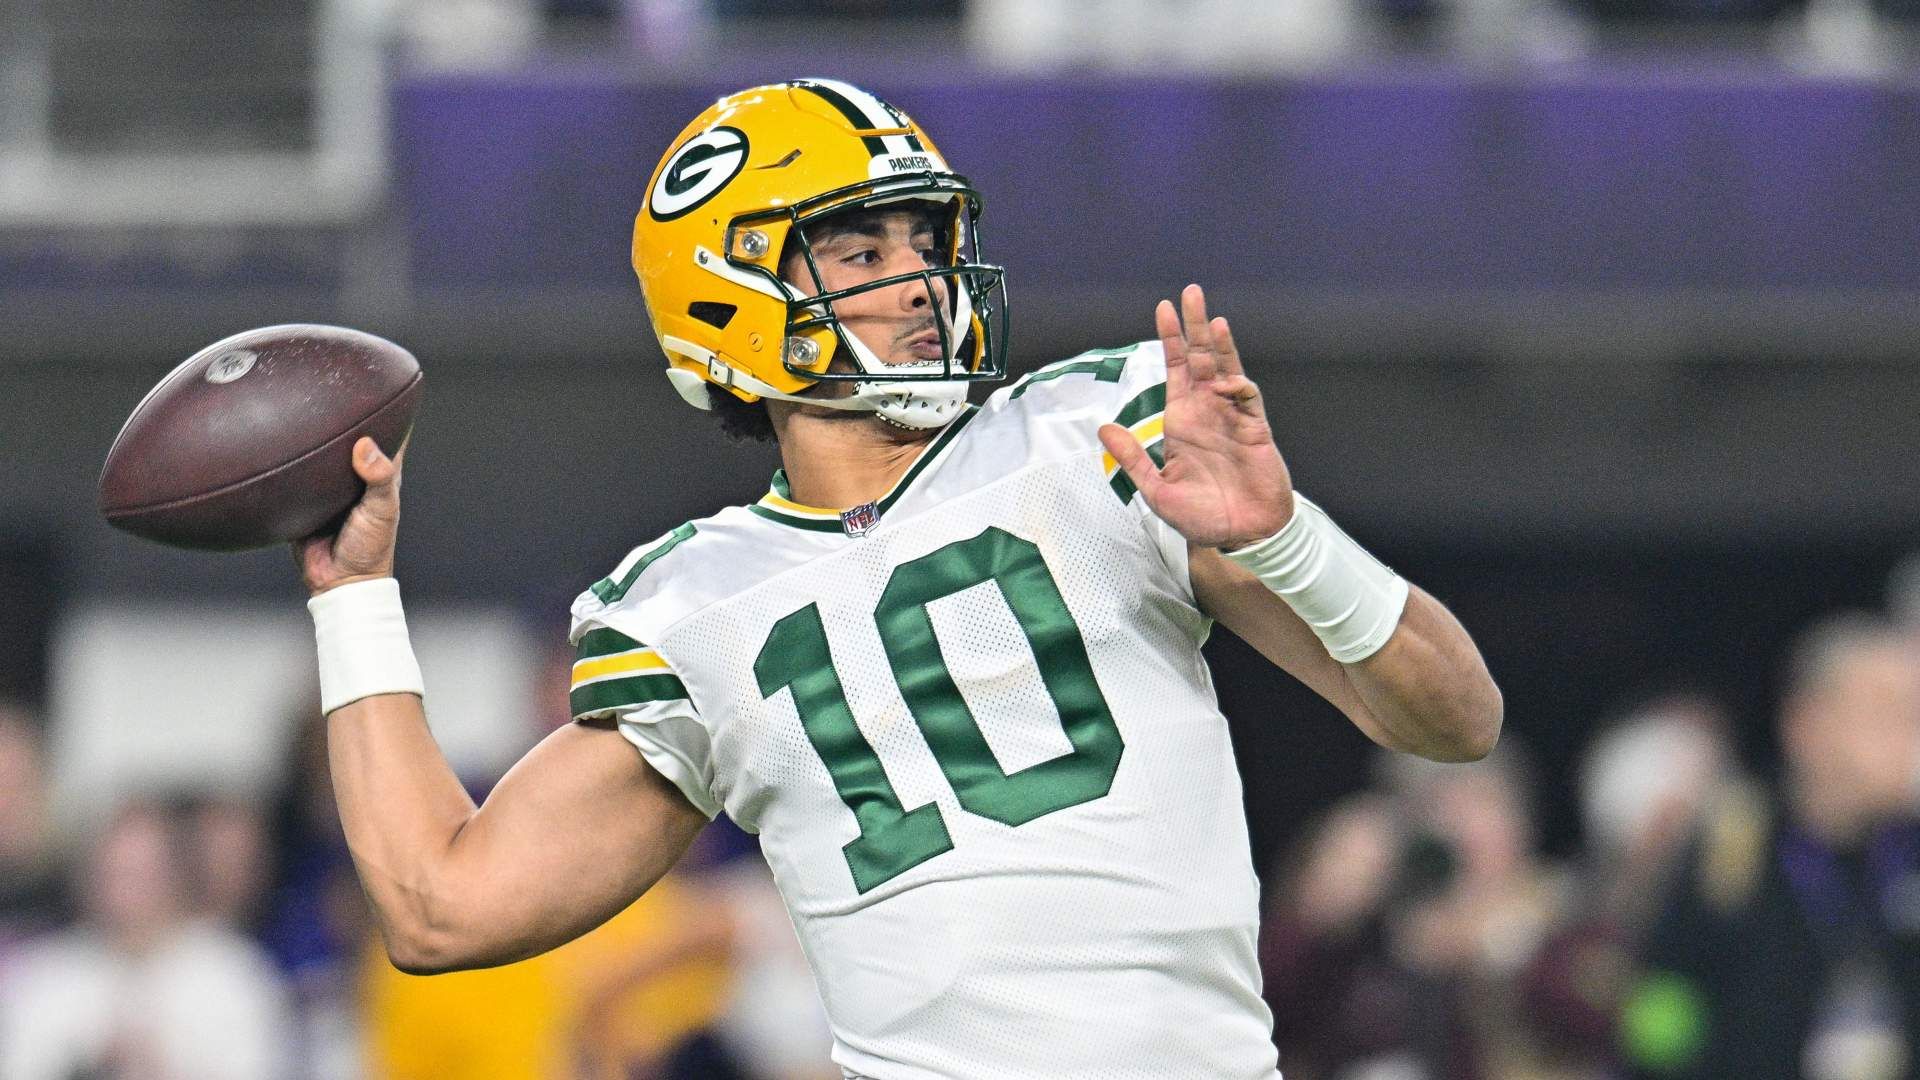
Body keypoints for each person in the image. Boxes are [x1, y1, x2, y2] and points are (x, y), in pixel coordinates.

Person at [293, 79, 1502, 1078]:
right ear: (728, 293)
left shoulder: (1097, 437)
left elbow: (1457, 721)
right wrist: (353, 599)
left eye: (927, 242)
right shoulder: (689, 605)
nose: (921, 279)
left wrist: (1285, 541)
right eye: (862, 249)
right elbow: (440, 910)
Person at [1624, 614, 1920, 1080]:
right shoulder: (1732, 844)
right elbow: (1659, 1019)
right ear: (1804, 725)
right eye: (1886, 711)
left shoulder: (1909, 848)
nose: (1908, 736)